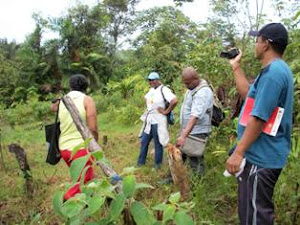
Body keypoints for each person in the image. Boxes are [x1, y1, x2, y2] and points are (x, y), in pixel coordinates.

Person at [226, 23, 293, 225]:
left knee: (257, 217)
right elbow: (249, 97)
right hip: (258, 154)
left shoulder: (274, 74)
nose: (255, 44)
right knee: (249, 214)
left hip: (262, 158)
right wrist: (236, 66)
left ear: (266, 44)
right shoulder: (272, 71)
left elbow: (259, 117)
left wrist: (238, 152)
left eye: (257, 40)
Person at [51, 74, 99, 200]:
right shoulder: (87, 100)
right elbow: (93, 127)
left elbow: (52, 107)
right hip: (81, 149)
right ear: (86, 87)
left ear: (70, 86)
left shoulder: (62, 100)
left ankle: (89, 202)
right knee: (84, 180)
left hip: (64, 149)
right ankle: (67, 199)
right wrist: (95, 144)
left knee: (83, 176)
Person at [176, 67, 214, 176]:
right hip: (189, 130)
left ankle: (197, 184)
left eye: (187, 83)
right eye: (184, 83)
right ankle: (174, 177)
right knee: (179, 155)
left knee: (195, 159)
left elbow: (195, 116)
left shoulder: (203, 92)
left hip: (197, 131)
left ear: (195, 79)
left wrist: (183, 136)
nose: (186, 86)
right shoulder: (192, 88)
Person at [137, 72, 178, 169]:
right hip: (150, 120)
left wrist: (166, 111)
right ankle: (140, 163)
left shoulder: (164, 90)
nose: (150, 82)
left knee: (158, 142)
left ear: (158, 80)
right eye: (149, 80)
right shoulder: (152, 90)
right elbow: (146, 99)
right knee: (144, 141)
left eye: (152, 80)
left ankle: (157, 165)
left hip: (159, 120)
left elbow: (174, 100)